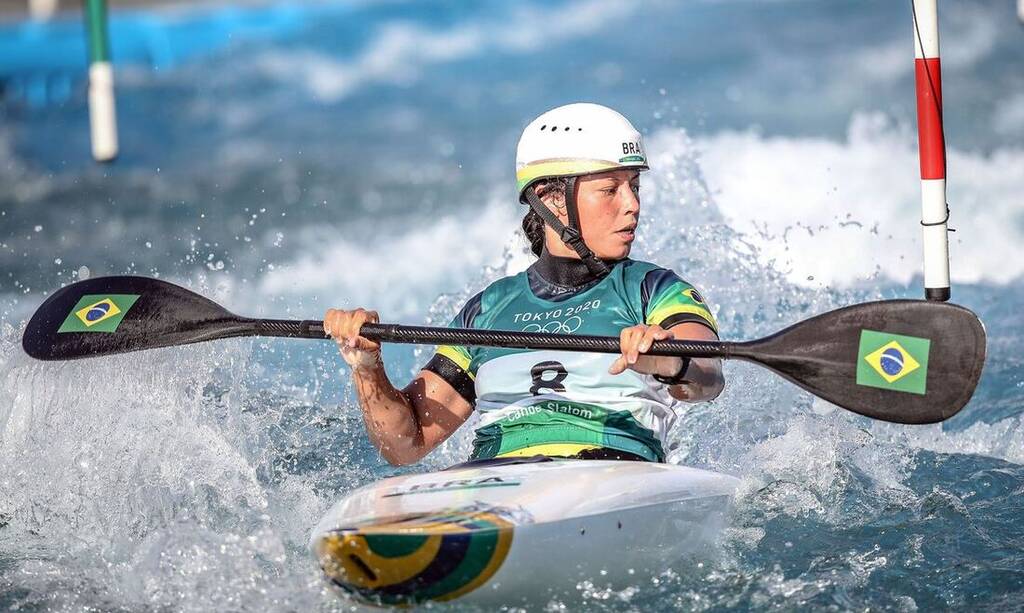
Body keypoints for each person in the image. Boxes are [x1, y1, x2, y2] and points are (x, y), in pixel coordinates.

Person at [324, 103, 723, 466]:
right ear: (551, 198)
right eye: (610, 189)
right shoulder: (488, 310)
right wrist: (367, 368)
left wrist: (665, 359)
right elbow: (404, 444)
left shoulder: (654, 289)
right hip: (495, 483)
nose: (632, 204)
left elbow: (707, 375)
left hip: (613, 476)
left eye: (634, 186)